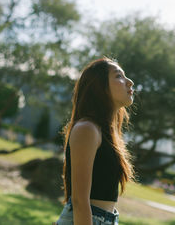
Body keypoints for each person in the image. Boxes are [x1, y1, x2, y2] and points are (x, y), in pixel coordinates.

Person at [55, 57, 135, 225]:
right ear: (100, 87)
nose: (130, 82)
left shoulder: (106, 132)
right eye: (119, 76)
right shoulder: (87, 129)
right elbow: (79, 201)